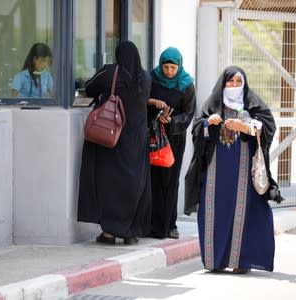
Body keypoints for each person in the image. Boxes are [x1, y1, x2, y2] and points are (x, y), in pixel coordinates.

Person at [184, 65, 284, 274]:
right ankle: (215, 260)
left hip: (243, 171)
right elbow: (196, 128)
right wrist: (207, 123)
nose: (234, 86)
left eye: (238, 82)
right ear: (223, 83)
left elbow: (268, 127)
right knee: (214, 211)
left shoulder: (253, 104)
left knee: (244, 212)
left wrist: (245, 127)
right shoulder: (213, 103)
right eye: (230, 82)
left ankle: (240, 261)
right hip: (215, 171)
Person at [77, 41, 152, 245]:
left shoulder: (111, 73)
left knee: (109, 182)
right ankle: (130, 231)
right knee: (134, 183)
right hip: (137, 140)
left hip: (112, 137)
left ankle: (109, 232)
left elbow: (89, 87)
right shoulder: (145, 77)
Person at [147, 47, 196, 239]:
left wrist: (172, 121)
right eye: (166, 67)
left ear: (179, 67)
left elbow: (189, 113)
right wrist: (153, 104)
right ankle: (153, 224)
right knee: (154, 179)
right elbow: (142, 102)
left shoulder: (186, 84)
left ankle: (170, 224)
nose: (168, 72)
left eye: (172, 68)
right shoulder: (152, 79)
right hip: (153, 136)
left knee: (170, 180)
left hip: (174, 138)